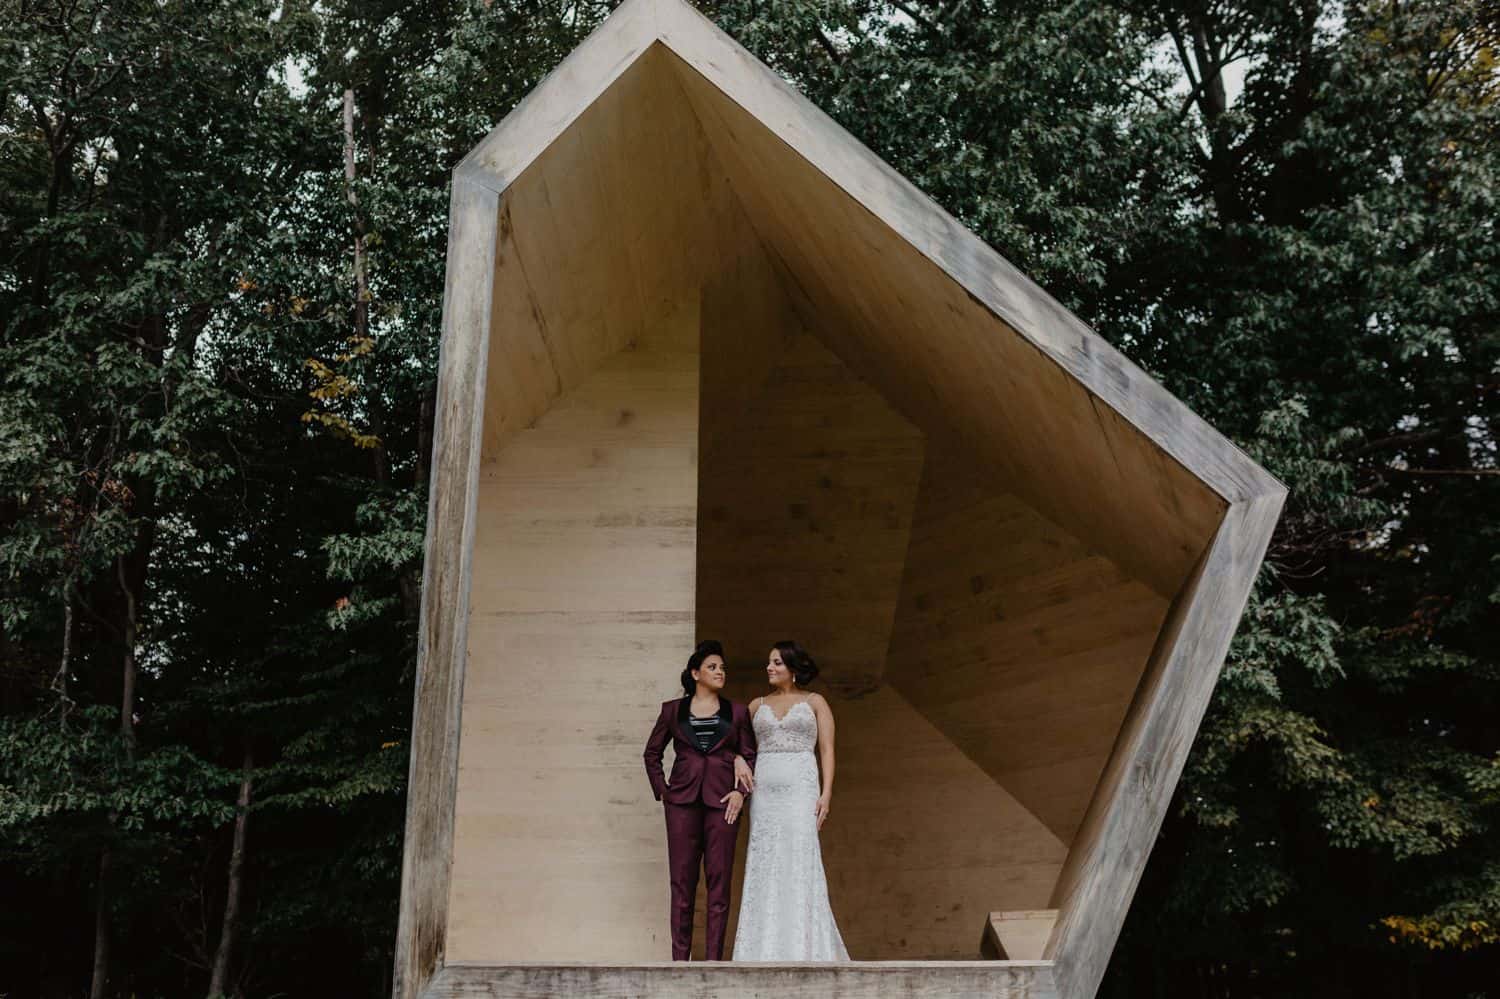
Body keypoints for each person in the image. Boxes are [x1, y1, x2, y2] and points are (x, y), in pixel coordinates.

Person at [732, 640, 850, 961]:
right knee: (766, 861)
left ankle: (803, 948)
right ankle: (762, 949)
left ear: (793, 668)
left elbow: (827, 750)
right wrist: (738, 761)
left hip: (802, 788)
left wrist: (826, 793)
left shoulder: (816, 702)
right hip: (765, 793)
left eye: (777, 663)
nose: (769, 668)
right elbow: (731, 744)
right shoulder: (755, 705)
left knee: (799, 858)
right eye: (769, 663)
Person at [642, 640, 757, 961]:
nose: (720, 672)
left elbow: (750, 755)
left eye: (722, 668)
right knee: (682, 884)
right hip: (681, 803)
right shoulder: (671, 711)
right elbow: (652, 753)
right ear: (695, 673)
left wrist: (741, 792)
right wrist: (663, 791)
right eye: (712, 667)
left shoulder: (736, 712)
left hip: (723, 803)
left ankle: (714, 964)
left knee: (719, 885)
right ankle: (680, 963)